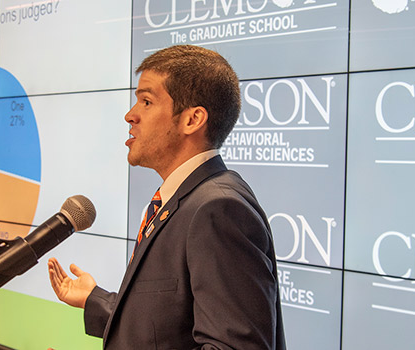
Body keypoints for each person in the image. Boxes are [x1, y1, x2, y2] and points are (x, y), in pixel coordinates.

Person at [47, 45, 285, 349]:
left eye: (146, 101)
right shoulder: (182, 200)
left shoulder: (218, 209)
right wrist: (95, 299)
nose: (130, 115)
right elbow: (169, 329)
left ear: (192, 120)